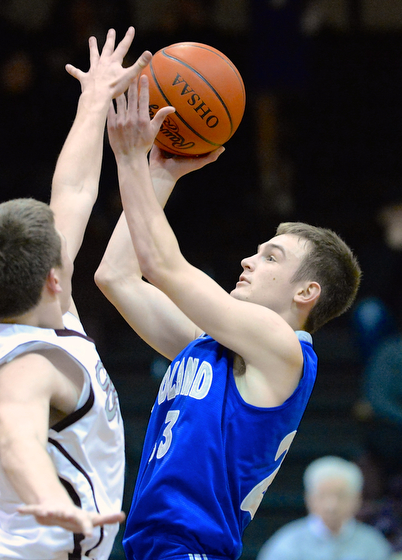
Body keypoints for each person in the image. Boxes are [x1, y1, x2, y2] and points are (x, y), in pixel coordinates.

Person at [94, 77, 361, 560]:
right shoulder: (211, 345)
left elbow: (162, 265)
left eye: (271, 258)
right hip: (148, 547)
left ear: (307, 292)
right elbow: (117, 277)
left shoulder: (283, 350)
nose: (248, 261)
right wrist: (158, 174)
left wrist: (130, 160)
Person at [0, 28, 151, 560]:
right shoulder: (25, 369)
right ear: (53, 278)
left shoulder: (31, 306)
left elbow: (73, 190)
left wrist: (94, 100)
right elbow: (19, 441)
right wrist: (48, 500)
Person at [256, 456, 393, 560]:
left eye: (341, 496)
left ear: (357, 499)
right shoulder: (286, 545)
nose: (331, 506)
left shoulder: (374, 545)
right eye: (323, 496)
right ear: (309, 498)